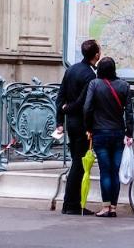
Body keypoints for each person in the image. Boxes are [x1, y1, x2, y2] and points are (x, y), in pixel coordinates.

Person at [83, 56, 134, 218]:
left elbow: (87, 108)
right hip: (118, 133)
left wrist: (89, 127)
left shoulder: (94, 84)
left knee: (105, 171)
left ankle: (105, 207)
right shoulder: (124, 85)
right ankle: (113, 207)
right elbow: (130, 112)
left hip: (99, 133)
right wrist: (129, 133)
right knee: (115, 172)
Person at [56, 39, 100, 216]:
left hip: (71, 124)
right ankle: (72, 204)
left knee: (77, 161)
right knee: (79, 164)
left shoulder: (72, 69)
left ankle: (70, 204)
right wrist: (68, 110)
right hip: (82, 124)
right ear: (96, 54)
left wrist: (60, 119)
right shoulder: (90, 76)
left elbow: (60, 96)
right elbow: (84, 102)